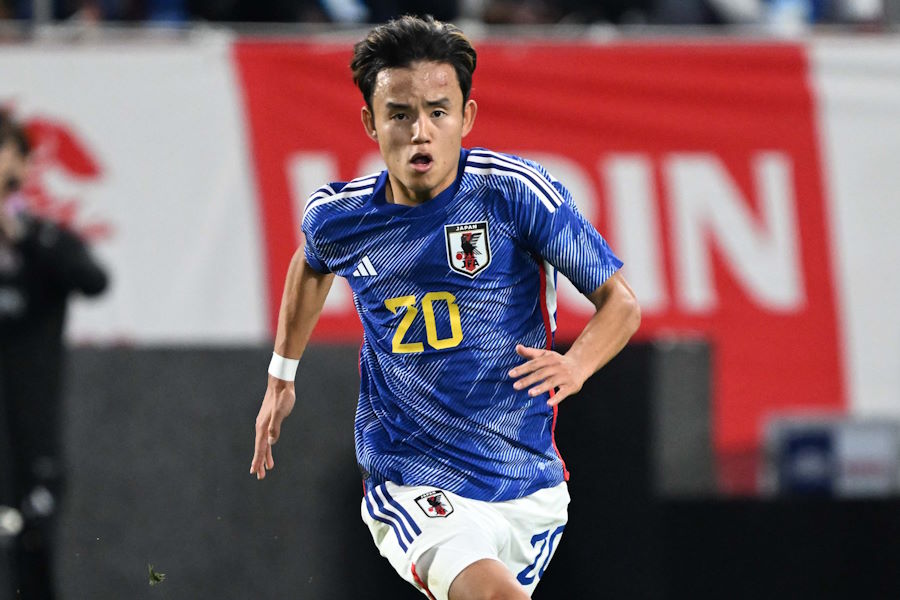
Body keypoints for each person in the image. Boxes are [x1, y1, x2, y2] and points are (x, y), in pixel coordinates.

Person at [250, 15, 640, 600]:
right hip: (413, 480)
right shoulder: (340, 218)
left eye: (438, 112)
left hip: (527, 486)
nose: (420, 133)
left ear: (467, 117)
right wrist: (281, 376)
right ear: (370, 122)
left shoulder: (514, 194)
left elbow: (620, 305)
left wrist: (576, 365)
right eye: (400, 115)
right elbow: (310, 265)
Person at [0, 111, 108, 600]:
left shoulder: (45, 242)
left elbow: (93, 280)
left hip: (32, 430)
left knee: (33, 548)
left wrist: (23, 232)